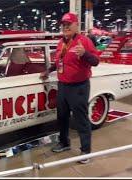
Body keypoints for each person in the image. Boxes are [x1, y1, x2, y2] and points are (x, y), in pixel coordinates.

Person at [40, 12, 99, 164]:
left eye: (68, 24)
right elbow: (59, 61)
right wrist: (49, 71)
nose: (65, 27)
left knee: (81, 120)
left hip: (79, 87)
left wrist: (85, 54)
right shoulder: (61, 42)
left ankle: (85, 151)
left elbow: (95, 61)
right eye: (63, 25)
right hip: (63, 86)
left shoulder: (84, 41)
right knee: (62, 117)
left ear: (76, 25)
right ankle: (64, 143)